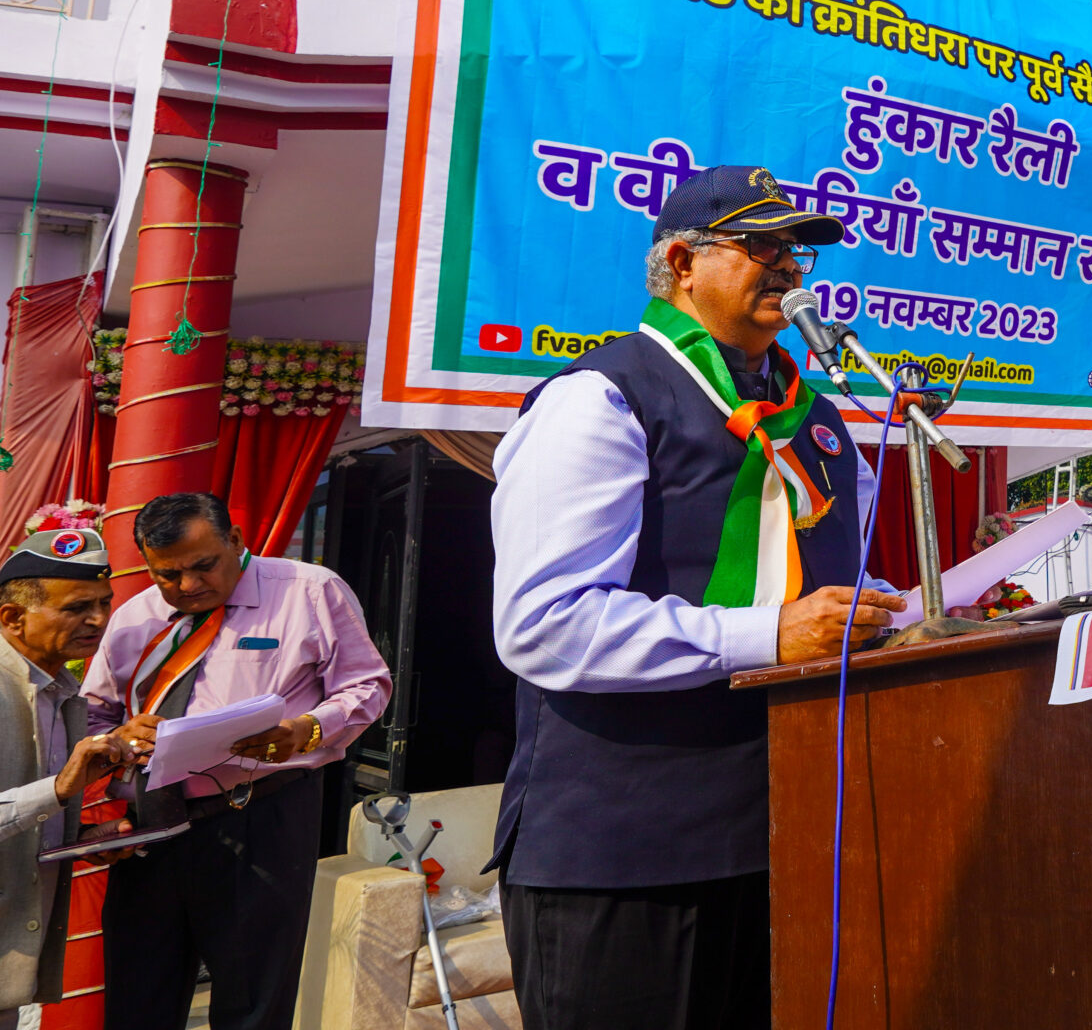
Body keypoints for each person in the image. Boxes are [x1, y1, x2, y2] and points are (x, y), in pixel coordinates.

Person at [490, 165, 904, 1030]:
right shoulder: (601, 397)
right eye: (763, 247)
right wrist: (769, 634)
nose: (787, 267)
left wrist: (905, 617)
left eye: (796, 252)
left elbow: (840, 585)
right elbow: (545, 626)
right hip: (627, 852)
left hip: (788, 833)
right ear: (682, 263)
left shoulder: (820, 419)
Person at [87, 492, 393, 1030]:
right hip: (150, 828)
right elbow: (94, 716)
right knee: (138, 998)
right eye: (167, 574)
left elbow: (367, 685)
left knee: (252, 1002)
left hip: (260, 818)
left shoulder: (308, 591)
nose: (187, 586)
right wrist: (117, 737)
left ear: (234, 540)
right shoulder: (136, 617)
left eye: (203, 566)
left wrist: (306, 730)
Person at [0, 528, 140, 1011]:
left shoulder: (58, 689)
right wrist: (59, 789)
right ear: (13, 618)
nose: (99, 619)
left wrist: (79, 838)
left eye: (104, 603)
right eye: (78, 607)